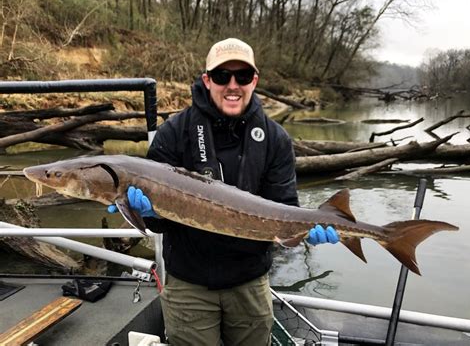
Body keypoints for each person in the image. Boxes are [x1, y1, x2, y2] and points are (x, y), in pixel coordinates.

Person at [109, 38, 339, 345]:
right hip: (188, 284)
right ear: (207, 80)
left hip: (249, 282)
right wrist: (145, 213)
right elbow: (159, 223)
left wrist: (307, 231)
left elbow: (285, 207)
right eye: (221, 77)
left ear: (254, 81)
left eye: (242, 77)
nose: (233, 85)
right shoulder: (175, 133)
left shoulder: (275, 139)